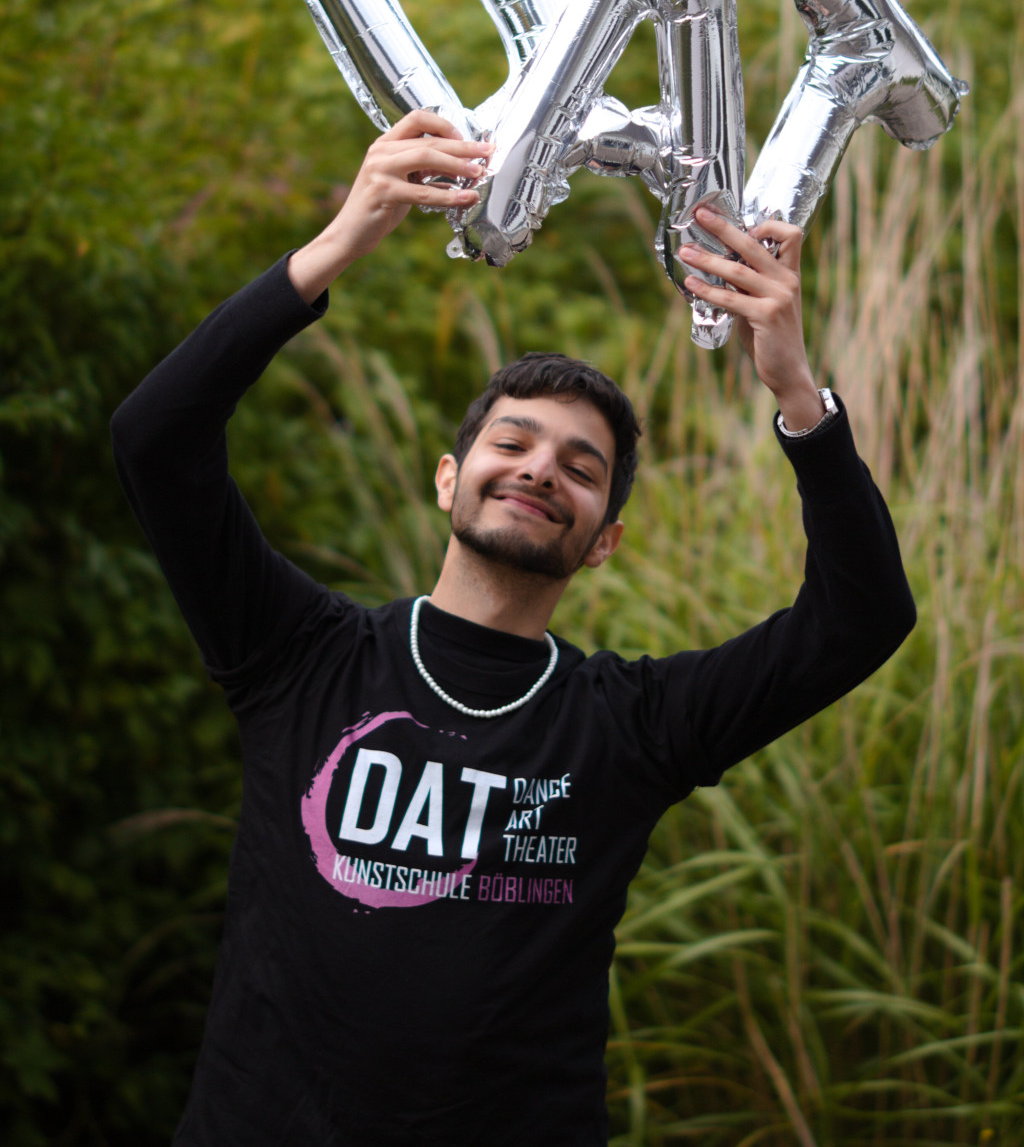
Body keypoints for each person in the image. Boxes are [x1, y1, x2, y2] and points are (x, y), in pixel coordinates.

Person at [111, 110, 916, 1146]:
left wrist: (795, 391)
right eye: (513, 442)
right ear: (449, 479)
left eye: (581, 468)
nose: (540, 469)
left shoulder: (629, 728)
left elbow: (861, 616)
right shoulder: (298, 656)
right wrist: (341, 242)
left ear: (604, 540)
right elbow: (156, 440)